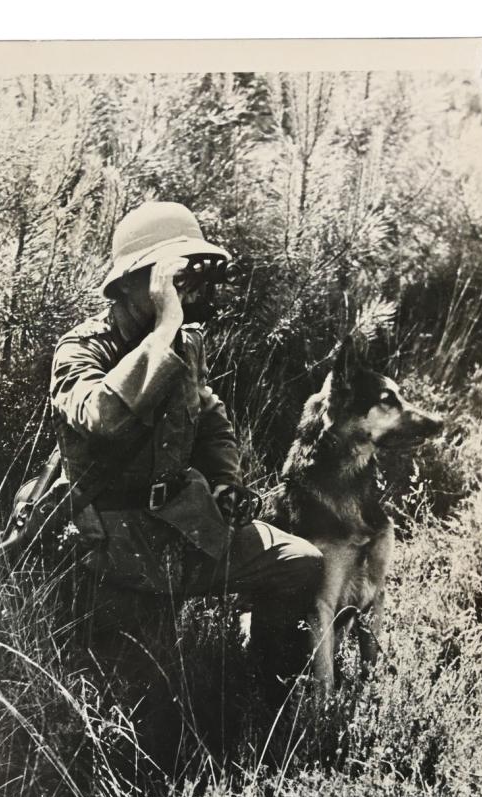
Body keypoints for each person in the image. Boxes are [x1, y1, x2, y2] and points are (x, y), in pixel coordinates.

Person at [49, 201, 324, 722]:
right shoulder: (81, 350)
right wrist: (166, 325)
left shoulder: (186, 342)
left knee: (300, 563)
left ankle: (266, 683)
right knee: (158, 707)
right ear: (134, 284)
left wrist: (225, 481)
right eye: (174, 277)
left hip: (186, 524)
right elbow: (101, 415)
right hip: (117, 550)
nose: (190, 292)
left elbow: (210, 418)